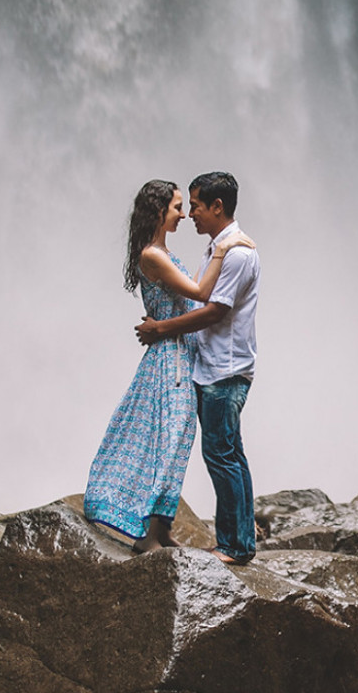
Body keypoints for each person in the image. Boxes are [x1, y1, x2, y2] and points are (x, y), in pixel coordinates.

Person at [84, 179, 253, 553]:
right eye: (178, 206)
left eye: (188, 205)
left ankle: (161, 530)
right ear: (159, 211)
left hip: (181, 353)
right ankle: (147, 535)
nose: (185, 213)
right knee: (169, 440)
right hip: (171, 359)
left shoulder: (162, 252)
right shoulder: (154, 256)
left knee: (176, 443)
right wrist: (224, 249)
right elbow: (201, 294)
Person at [136, 172, 260, 565]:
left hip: (225, 370)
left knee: (222, 456)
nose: (191, 215)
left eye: (196, 206)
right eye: (185, 206)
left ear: (217, 207)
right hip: (211, 368)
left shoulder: (236, 252)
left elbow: (214, 310)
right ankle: (236, 538)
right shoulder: (219, 249)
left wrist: (161, 329)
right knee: (228, 454)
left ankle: (236, 545)